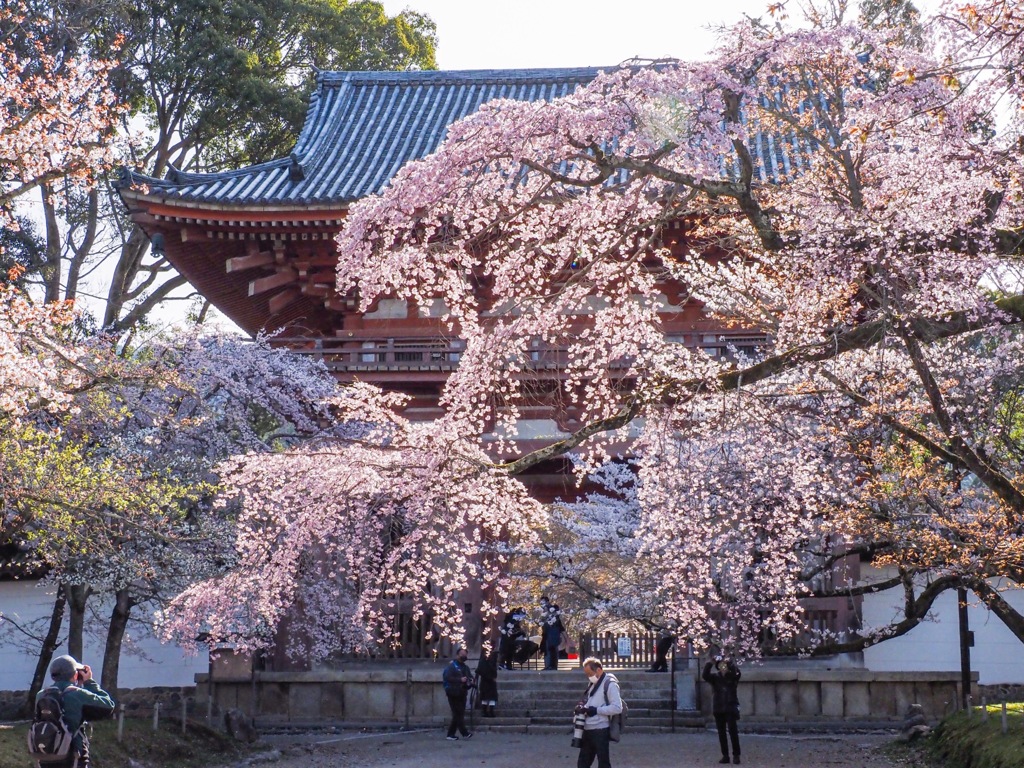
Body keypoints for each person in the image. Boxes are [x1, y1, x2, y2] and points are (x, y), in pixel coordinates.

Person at [36, 654, 115, 768]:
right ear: (75, 674)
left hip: (46, 752)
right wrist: (89, 682)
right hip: (73, 754)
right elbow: (108, 706)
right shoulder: (77, 694)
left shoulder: (41, 695)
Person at [574, 657, 622, 768]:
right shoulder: (592, 683)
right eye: (587, 674)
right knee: (582, 763)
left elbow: (617, 707)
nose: (589, 677)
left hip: (600, 729)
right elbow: (591, 700)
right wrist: (583, 707)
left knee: (603, 763)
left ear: (599, 670)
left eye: (590, 674)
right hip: (588, 728)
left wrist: (596, 710)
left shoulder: (610, 684)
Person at [702, 654, 742, 764]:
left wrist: (730, 661)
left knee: (733, 732)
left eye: (725, 666)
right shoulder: (715, 678)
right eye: (721, 666)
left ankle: (736, 754)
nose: (723, 667)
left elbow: (738, 673)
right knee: (721, 733)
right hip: (719, 707)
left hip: (730, 706)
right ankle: (725, 755)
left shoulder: (732, 677)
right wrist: (710, 663)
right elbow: (705, 675)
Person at [442, 646, 475, 740]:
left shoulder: (465, 667)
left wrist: (471, 680)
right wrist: (460, 679)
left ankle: (451, 734)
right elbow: (448, 677)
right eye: (462, 655)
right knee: (457, 713)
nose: (464, 656)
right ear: (457, 655)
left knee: (459, 713)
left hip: (462, 692)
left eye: (465, 655)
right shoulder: (452, 666)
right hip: (453, 692)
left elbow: (470, 676)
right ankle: (464, 733)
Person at [475, 648, 499, 717]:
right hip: (487, 680)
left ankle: (487, 711)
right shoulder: (486, 660)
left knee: (488, 696)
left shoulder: (488, 659)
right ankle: (486, 711)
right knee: (487, 696)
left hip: (487, 680)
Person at [543, 603, 564, 670]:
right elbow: (561, 628)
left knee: (549, 652)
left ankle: (549, 666)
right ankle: (553, 666)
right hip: (553, 637)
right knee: (553, 652)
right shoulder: (556, 618)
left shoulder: (551, 618)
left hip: (550, 637)